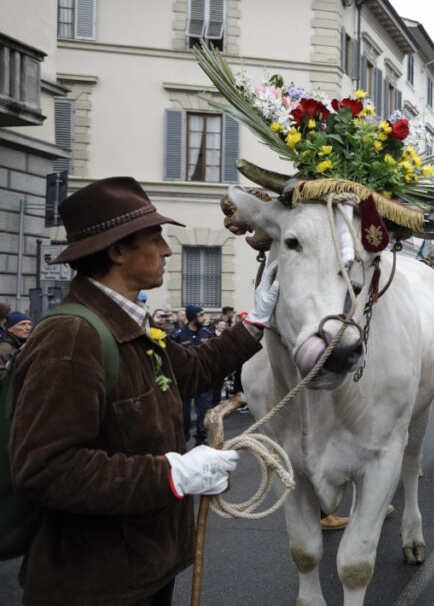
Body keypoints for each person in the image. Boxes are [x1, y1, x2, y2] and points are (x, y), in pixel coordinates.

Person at [8, 176, 279, 606]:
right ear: (117, 251)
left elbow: (192, 371)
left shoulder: (130, 321)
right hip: (95, 584)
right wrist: (173, 474)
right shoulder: (71, 335)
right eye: (155, 238)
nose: (168, 250)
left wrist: (254, 322)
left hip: (141, 570)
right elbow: (47, 469)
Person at [173, 304, 213, 446]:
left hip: (203, 379)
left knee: (204, 411)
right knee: (183, 412)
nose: (204, 318)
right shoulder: (177, 335)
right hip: (185, 380)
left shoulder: (207, 333)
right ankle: (183, 439)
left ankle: (201, 440)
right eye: (201, 316)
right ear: (192, 318)